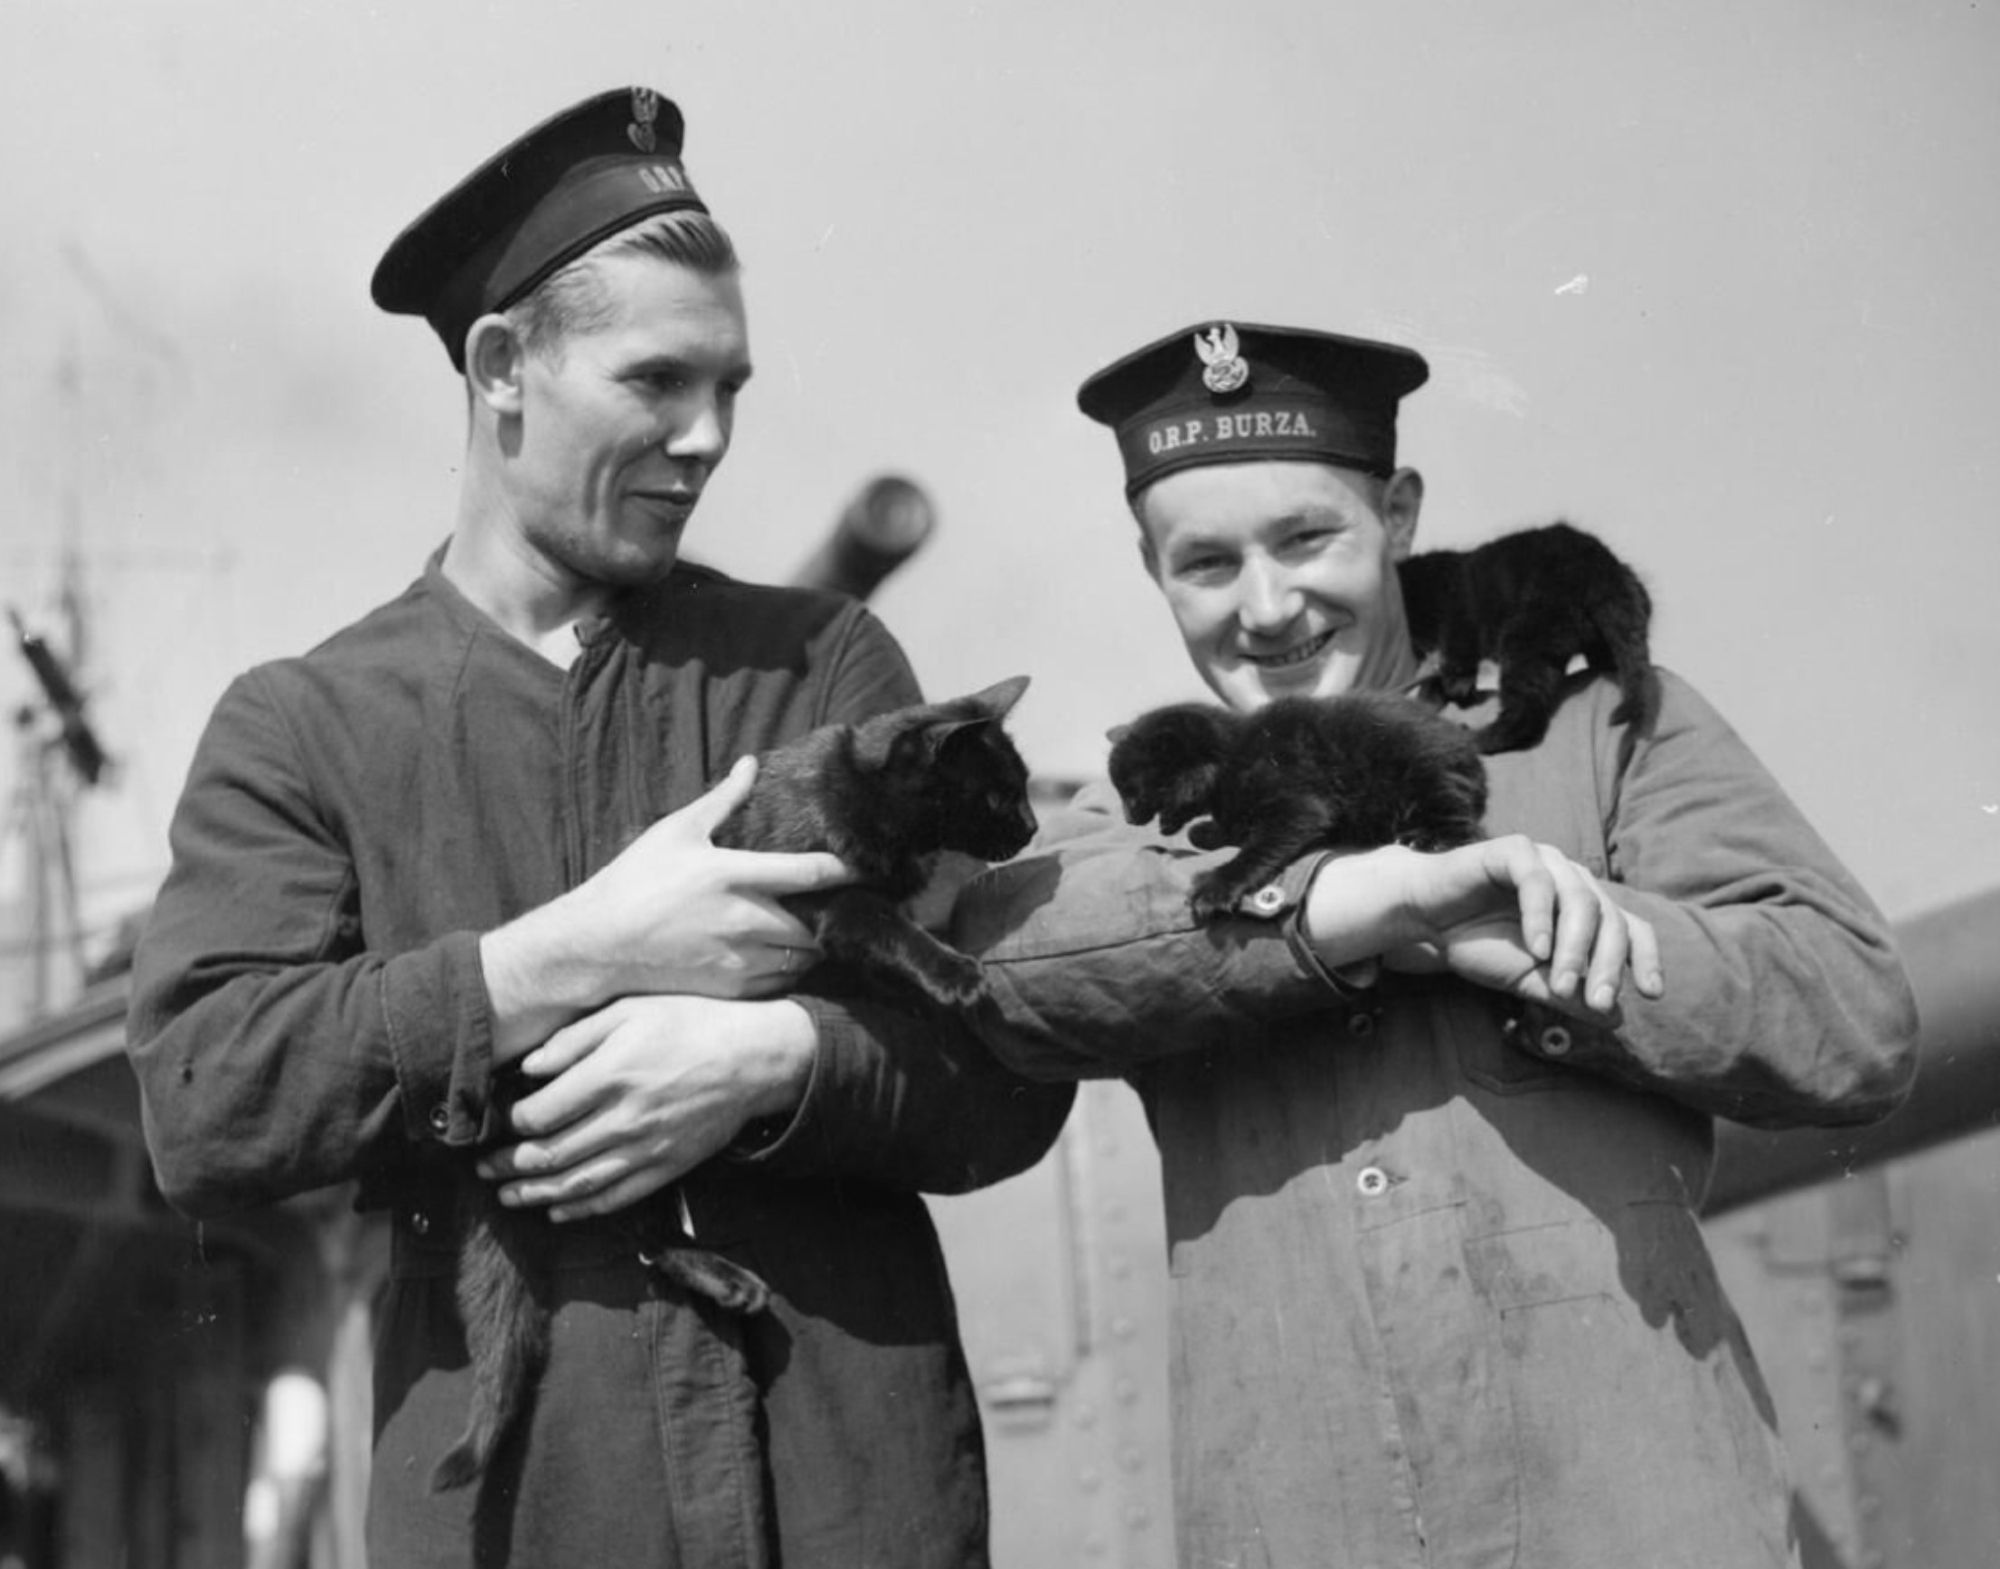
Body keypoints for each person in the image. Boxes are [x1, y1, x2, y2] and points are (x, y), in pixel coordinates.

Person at [126, 88, 1072, 1568]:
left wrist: (775, 1061)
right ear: (502, 366)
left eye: (733, 389)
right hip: (520, 1512)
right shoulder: (304, 725)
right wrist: (558, 958)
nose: (707, 440)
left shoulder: (825, 665)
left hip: (847, 1501)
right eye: (657, 382)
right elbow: (207, 1096)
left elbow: (1010, 1059)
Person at [952, 321, 1919, 1567]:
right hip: (1303, 1520)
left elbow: (1852, 1012)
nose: (1266, 606)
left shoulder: (1597, 732)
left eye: (1308, 539)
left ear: (1398, 514)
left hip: (1632, 1511)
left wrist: (1516, 938)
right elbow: (1016, 975)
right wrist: (1348, 907)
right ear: (1150, 568)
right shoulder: (1147, 813)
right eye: (1205, 564)